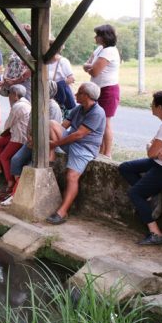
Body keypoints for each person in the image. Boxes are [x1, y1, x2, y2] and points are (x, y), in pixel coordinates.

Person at [118, 91, 162, 246]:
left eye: (153, 103)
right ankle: (151, 195)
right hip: (159, 163)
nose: (151, 106)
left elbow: (151, 153)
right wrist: (154, 148)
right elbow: (153, 148)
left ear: (160, 107)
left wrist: (154, 149)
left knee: (134, 193)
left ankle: (156, 233)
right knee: (125, 167)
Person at [46, 82, 106, 224]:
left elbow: (79, 135)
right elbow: (63, 126)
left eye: (79, 93)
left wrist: (55, 143)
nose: (75, 95)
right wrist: (52, 140)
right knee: (51, 123)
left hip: (84, 148)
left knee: (72, 176)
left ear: (86, 96)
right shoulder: (79, 108)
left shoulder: (97, 112)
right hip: (70, 142)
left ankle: (62, 212)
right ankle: (52, 152)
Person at [6, 81, 63, 205]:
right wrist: (29, 137)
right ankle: (17, 189)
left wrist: (36, 140)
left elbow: (50, 128)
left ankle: (19, 194)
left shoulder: (53, 107)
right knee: (16, 160)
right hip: (31, 141)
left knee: (32, 167)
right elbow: (30, 123)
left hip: (44, 144)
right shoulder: (37, 103)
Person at [83, 24, 120, 158]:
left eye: (97, 35)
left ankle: (107, 154)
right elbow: (88, 64)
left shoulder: (109, 51)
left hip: (108, 90)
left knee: (106, 121)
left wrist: (88, 67)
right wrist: (88, 66)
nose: (95, 37)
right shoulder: (100, 49)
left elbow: (94, 71)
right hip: (98, 89)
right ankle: (100, 150)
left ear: (104, 37)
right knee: (98, 120)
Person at [0, 85, 31, 202]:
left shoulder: (18, 106)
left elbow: (7, 125)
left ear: (15, 95)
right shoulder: (26, 103)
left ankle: (10, 183)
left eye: (9, 94)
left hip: (20, 137)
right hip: (19, 134)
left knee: (4, 157)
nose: (8, 97)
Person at [0, 26, 31, 101]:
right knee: (14, 106)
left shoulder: (30, 51)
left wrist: (15, 81)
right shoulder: (16, 49)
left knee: (24, 105)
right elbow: (9, 64)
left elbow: (29, 71)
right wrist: (5, 77)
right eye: (16, 33)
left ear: (26, 36)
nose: (16, 35)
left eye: (18, 34)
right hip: (12, 84)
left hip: (24, 84)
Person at [47, 40, 76, 114]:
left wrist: (56, 85)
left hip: (60, 95)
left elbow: (71, 79)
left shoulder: (63, 61)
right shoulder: (45, 62)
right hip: (48, 95)